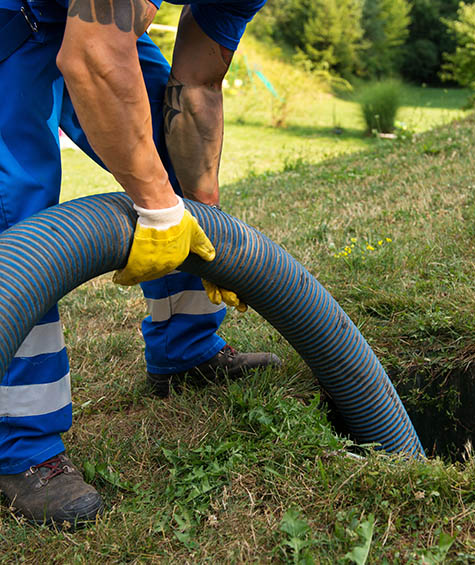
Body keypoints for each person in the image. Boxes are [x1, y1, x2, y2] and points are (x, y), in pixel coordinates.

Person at [0, 0, 280, 527]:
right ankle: (20, 444)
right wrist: (157, 208)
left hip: (76, 16)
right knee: (15, 217)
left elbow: (196, 85)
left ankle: (186, 350)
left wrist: (202, 214)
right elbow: (92, 57)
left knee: (170, 152)